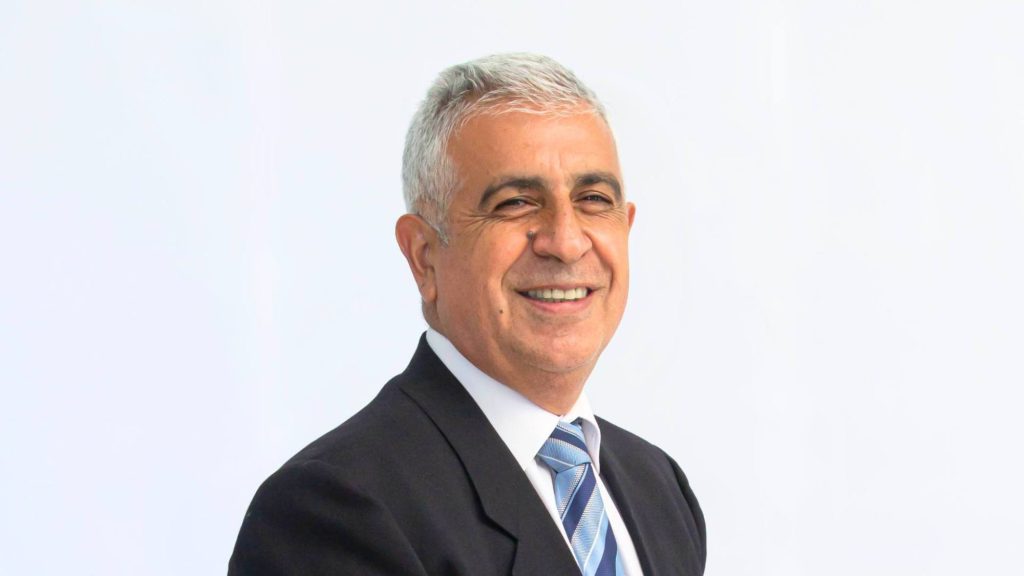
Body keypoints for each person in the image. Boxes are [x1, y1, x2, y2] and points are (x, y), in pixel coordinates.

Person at [229, 53, 706, 576]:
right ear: (423, 256)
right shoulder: (333, 511)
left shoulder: (658, 489)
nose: (567, 242)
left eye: (593, 199)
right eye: (515, 203)